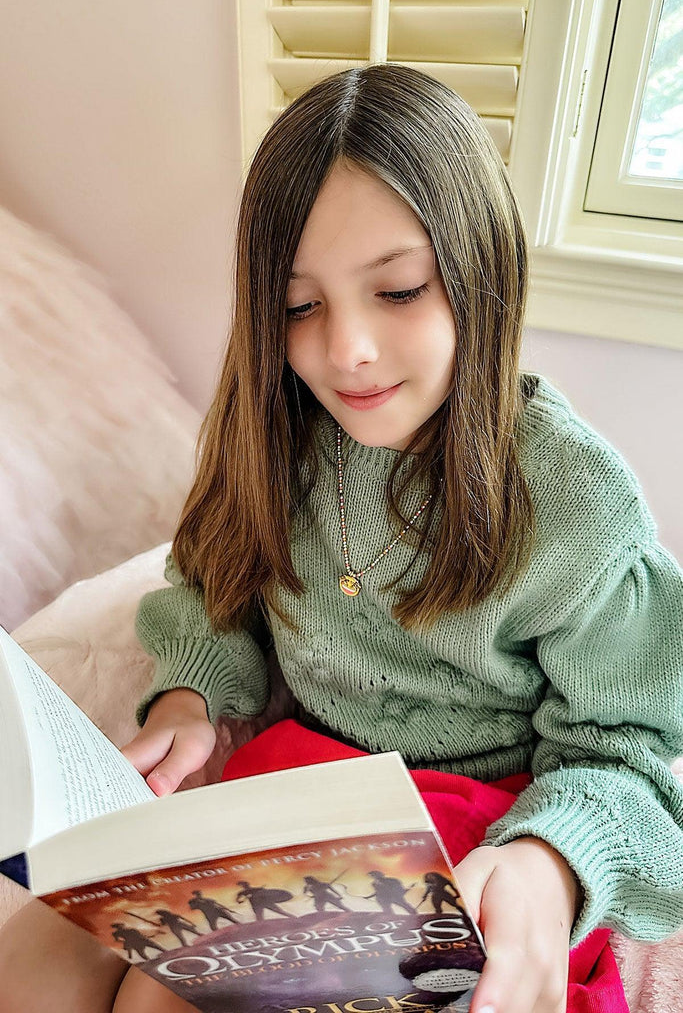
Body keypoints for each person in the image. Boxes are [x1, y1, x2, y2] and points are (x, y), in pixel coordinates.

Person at [1, 63, 682, 1013]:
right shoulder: (275, 435)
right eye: (299, 305)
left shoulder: (570, 496)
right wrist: (191, 697)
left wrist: (550, 861)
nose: (345, 348)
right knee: (35, 957)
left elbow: (633, 752)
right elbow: (214, 582)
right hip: (292, 793)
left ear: (478, 270)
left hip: (476, 841)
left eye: (398, 291)